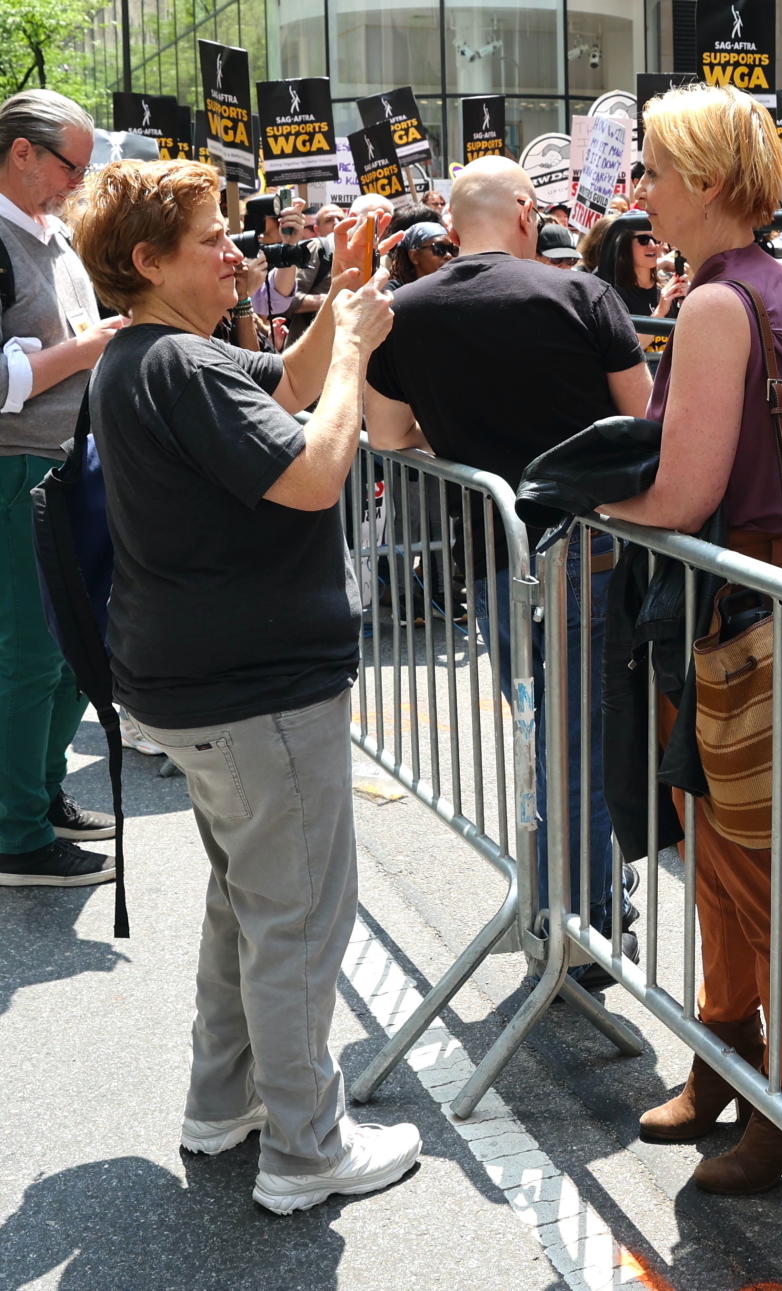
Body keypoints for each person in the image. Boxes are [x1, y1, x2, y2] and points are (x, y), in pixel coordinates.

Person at [72, 159, 421, 1215]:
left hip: (199, 686)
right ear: (146, 262)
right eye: (212, 236)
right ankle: (307, 1150)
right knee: (299, 919)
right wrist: (357, 349)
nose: (239, 249)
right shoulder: (179, 364)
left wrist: (340, 303)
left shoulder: (150, 358)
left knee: (251, 905)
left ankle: (222, 1104)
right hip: (256, 690)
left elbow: (276, 398)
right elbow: (314, 470)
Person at [601, 83, 782, 1194]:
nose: (640, 189)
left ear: (705, 184)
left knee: (759, 866)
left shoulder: (718, 302)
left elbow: (681, 490)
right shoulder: (766, 280)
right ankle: (728, 1058)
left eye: (655, 170)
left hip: (733, 607)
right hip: (760, 594)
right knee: (725, 853)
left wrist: (588, 502)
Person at [363, 155, 652, 987]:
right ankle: (585, 922)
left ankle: (571, 906)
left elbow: (388, 439)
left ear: (453, 230)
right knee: (578, 743)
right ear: (526, 212)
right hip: (585, 546)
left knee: (545, 736)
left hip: (488, 552)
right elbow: (643, 418)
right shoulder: (579, 294)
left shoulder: (404, 311)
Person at [0, 88, 124, 889]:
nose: (78, 184)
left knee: (72, 651)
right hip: (21, 466)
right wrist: (87, 351)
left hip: (66, 460)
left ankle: (39, 800)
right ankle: (16, 830)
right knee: (33, 651)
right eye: (70, 167)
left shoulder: (51, 236)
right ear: (20, 152)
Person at [609, 222, 687, 350]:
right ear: (625, 246)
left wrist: (687, 300)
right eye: (644, 240)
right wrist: (660, 312)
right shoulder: (615, 294)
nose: (652, 245)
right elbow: (627, 350)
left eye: (655, 239)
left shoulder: (669, 284)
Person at [386, 219, 457, 288]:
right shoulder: (393, 294)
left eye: (452, 249)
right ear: (414, 256)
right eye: (439, 248)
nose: (449, 256)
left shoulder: (458, 286)